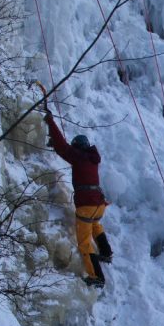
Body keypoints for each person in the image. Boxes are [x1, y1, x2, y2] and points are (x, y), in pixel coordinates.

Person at [44, 108, 113, 288]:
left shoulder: (80, 157)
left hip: (87, 205)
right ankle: (106, 253)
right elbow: (64, 150)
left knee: (84, 243)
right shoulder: (91, 158)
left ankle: (96, 277)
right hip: (99, 203)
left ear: (78, 148)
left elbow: (62, 146)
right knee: (95, 225)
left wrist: (50, 122)